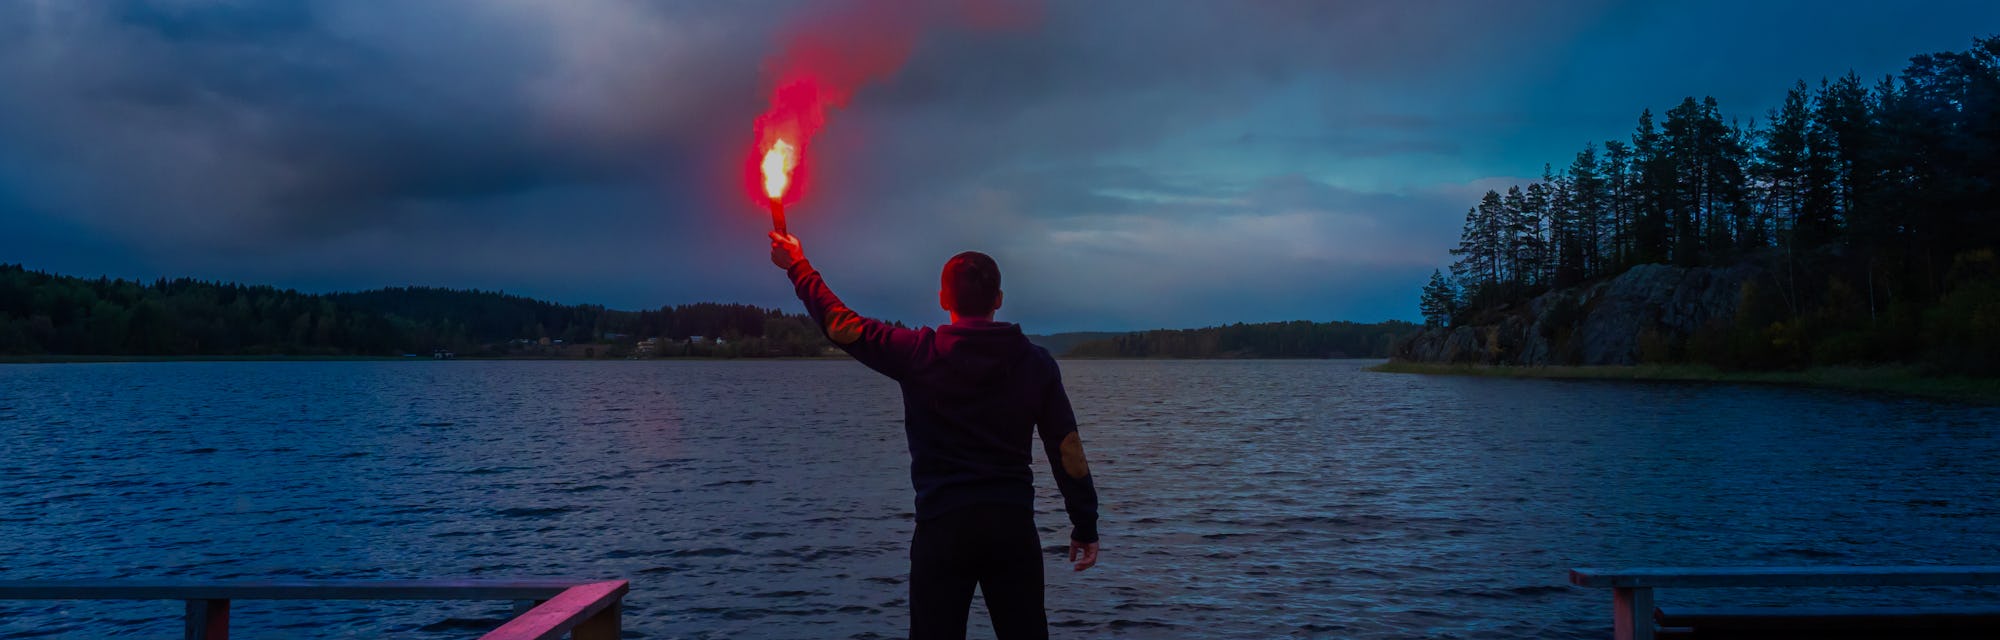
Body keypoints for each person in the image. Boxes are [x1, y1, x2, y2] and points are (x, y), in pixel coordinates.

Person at [769, 230, 1100, 640]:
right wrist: (1084, 524)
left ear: (944, 300)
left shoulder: (917, 353)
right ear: (998, 299)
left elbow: (841, 325)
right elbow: (1067, 450)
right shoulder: (1036, 364)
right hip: (1011, 528)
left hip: (943, 529)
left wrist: (799, 268)